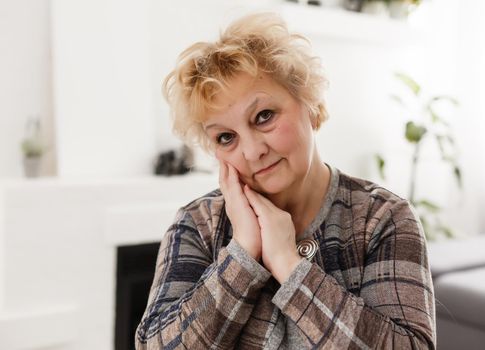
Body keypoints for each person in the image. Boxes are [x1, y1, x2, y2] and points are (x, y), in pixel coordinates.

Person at [135, 12, 436, 350]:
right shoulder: (198, 224)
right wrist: (242, 255)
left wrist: (290, 266)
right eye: (225, 137)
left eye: (264, 116)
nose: (252, 151)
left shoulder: (382, 218)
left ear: (310, 103)